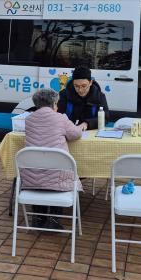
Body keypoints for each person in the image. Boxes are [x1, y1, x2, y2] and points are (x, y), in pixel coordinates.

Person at [22, 88, 84, 229]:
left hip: (32, 176)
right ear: (53, 104)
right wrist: (80, 126)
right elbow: (76, 134)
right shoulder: (61, 118)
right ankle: (54, 220)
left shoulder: (29, 119)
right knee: (58, 175)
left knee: (40, 179)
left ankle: (38, 218)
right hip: (57, 175)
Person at [57, 65, 110, 131]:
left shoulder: (99, 96)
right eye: (76, 86)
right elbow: (57, 116)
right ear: (73, 83)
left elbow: (105, 118)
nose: (80, 90)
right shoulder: (64, 95)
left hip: (90, 132)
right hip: (69, 131)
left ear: (90, 82)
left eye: (84, 86)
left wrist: (87, 123)